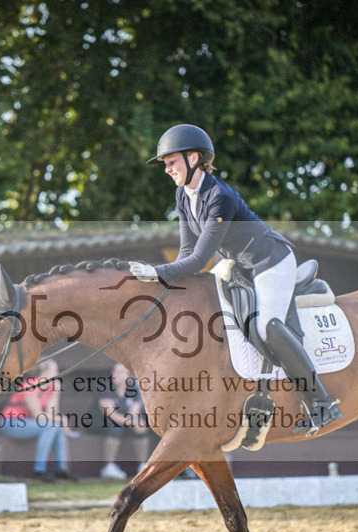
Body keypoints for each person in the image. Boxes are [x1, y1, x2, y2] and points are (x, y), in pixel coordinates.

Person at [131, 123, 341, 435]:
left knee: (265, 326)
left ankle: (322, 402)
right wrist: (164, 284)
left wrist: (157, 272)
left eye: (171, 162)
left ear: (193, 158)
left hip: (271, 261)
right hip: (242, 267)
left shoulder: (219, 196)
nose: (167, 170)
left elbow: (201, 260)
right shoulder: (183, 195)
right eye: (166, 164)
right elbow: (187, 250)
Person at [0, 359, 75, 482]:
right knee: (52, 426)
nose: (57, 373)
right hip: (11, 423)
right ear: (45, 371)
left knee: (56, 427)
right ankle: (39, 471)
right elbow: (38, 416)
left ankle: (62, 470)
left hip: (29, 423)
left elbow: (51, 414)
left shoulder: (49, 388)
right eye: (55, 369)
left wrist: (56, 393)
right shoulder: (31, 385)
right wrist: (62, 419)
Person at [94, 363, 151, 480]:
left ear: (129, 377)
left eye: (120, 372)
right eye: (114, 371)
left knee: (141, 426)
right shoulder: (105, 388)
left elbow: (134, 411)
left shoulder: (133, 390)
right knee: (116, 426)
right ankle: (108, 467)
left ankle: (142, 466)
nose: (115, 374)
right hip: (98, 421)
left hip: (123, 422)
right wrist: (132, 422)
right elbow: (110, 415)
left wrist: (136, 422)